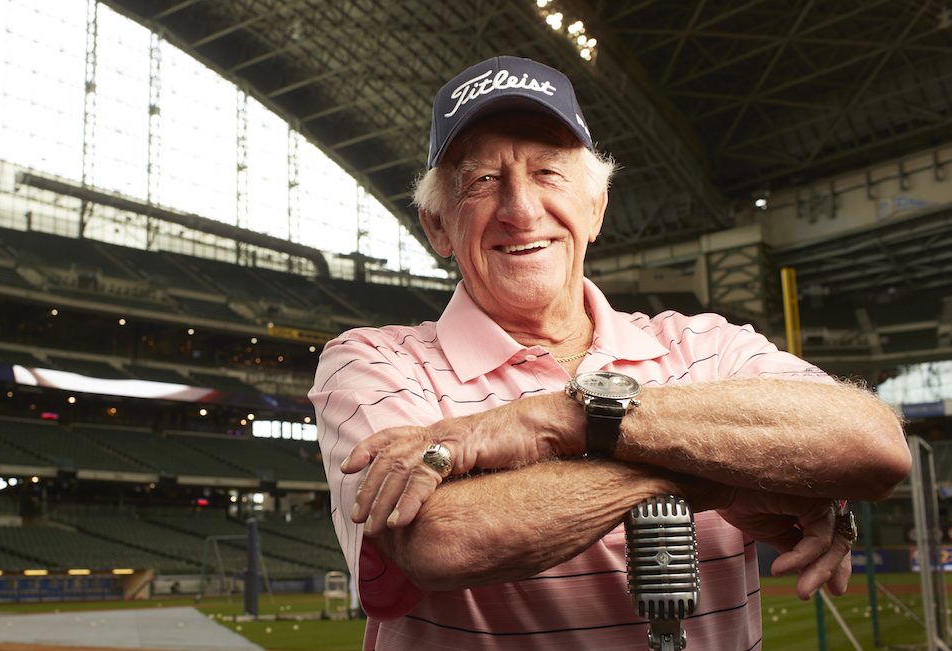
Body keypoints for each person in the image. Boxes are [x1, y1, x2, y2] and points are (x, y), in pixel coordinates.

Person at [309, 55, 911, 650]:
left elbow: (874, 443)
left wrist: (561, 418)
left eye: (549, 173)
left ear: (595, 209)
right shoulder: (373, 362)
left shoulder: (702, 343)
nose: (520, 210)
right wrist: (714, 475)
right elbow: (440, 540)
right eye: (483, 180)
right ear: (437, 225)